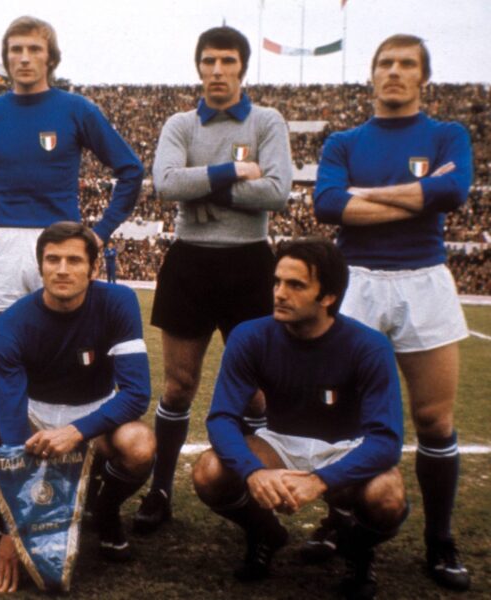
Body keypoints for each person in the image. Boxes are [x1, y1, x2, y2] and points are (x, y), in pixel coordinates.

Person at [314, 34, 472, 591]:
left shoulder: (448, 133)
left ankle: (440, 540)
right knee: (342, 417)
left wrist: (365, 196)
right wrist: (419, 193)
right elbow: (328, 205)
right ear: (372, 74)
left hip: (424, 279)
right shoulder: (344, 141)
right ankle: (340, 524)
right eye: (386, 63)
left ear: (423, 76)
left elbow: (454, 192)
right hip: (355, 281)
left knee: (433, 420)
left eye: (407, 64)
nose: (395, 72)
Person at [0, 15, 143, 417]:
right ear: (5, 58)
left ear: (51, 57)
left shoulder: (76, 109)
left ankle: (74, 441)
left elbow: (130, 170)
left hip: (61, 244)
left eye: (34, 49)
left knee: (65, 355)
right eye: (15, 50)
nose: (24, 57)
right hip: (3, 245)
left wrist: (100, 231)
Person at [135, 25, 292, 533]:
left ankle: (259, 490)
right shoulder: (180, 124)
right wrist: (233, 172)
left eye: (227, 61)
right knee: (179, 386)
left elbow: (277, 192)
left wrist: (201, 186)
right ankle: (160, 490)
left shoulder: (267, 121)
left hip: (250, 264)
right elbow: (165, 184)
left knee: (257, 393)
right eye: (209, 61)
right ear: (198, 66)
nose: (217, 70)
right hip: (190, 263)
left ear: (242, 67)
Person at [193, 238, 406, 600]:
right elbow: (221, 418)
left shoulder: (368, 346)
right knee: (208, 472)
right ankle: (265, 533)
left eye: (296, 285)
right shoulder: (250, 336)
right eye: (277, 282)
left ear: (328, 297)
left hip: (345, 447)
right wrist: (253, 472)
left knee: (387, 496)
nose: (279, 293)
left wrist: (321, 481)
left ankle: (355, 549)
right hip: (280, 444)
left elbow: (386, 441)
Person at [0, 222, 154, 593]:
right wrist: (15, 525)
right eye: (53, 259)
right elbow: (12, 420)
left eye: (74, 260)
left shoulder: (119, 301)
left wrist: (76, 431)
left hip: (95, 409)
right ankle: (0, 514)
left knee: (140, 446)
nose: (62, 269)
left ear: (94, 268)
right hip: (33, 412)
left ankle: (105, 510)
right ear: (40, 265)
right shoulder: (8, 326)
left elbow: (137, 394)